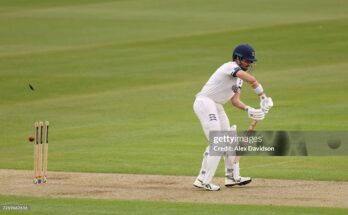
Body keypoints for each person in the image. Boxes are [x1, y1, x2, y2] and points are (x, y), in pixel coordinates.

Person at [192, 44, 274, 191]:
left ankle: (231, 177)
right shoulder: (228, 67)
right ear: (237, 58)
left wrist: (249, 109)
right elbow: (252, 80)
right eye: (247, 60)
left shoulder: (239, 79)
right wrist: (263, 96)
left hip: (217, 105)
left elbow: (235, 101)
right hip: (205, 102)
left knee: (229, 139)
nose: (249, 64)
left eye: (251, 61)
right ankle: (203, 180)